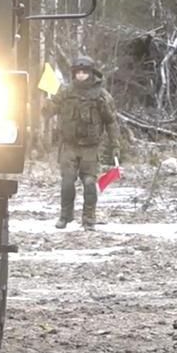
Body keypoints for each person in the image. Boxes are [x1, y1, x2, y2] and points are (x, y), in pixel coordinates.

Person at [45, 55, 119, 231]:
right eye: (78, 72)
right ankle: (65, 216)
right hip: (69, 146)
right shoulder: (65, 92)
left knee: (89, 184)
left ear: (91, 74)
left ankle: (88, 219)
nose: (81, 76)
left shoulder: (101, 96)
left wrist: (115, 145)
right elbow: (49, 110)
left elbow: (111, 122)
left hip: (91, 148)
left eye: (85, 72)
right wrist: (45, 107)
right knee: (67, 183)